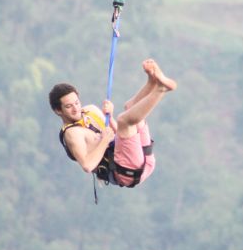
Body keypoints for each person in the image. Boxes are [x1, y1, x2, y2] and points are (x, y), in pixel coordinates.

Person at [49, 58, 176, 188]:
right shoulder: (72, 133)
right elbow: (87, 166)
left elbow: (118, 134)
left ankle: (152, 81)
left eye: (76, 102)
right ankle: (160, 90)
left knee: (130, 107)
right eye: (69, 106)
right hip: (126, 171)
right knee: (124, 120)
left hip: (145, 155)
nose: (76, 109)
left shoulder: (90, 110)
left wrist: (109, 115)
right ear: (58, 110)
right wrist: (104, 140)